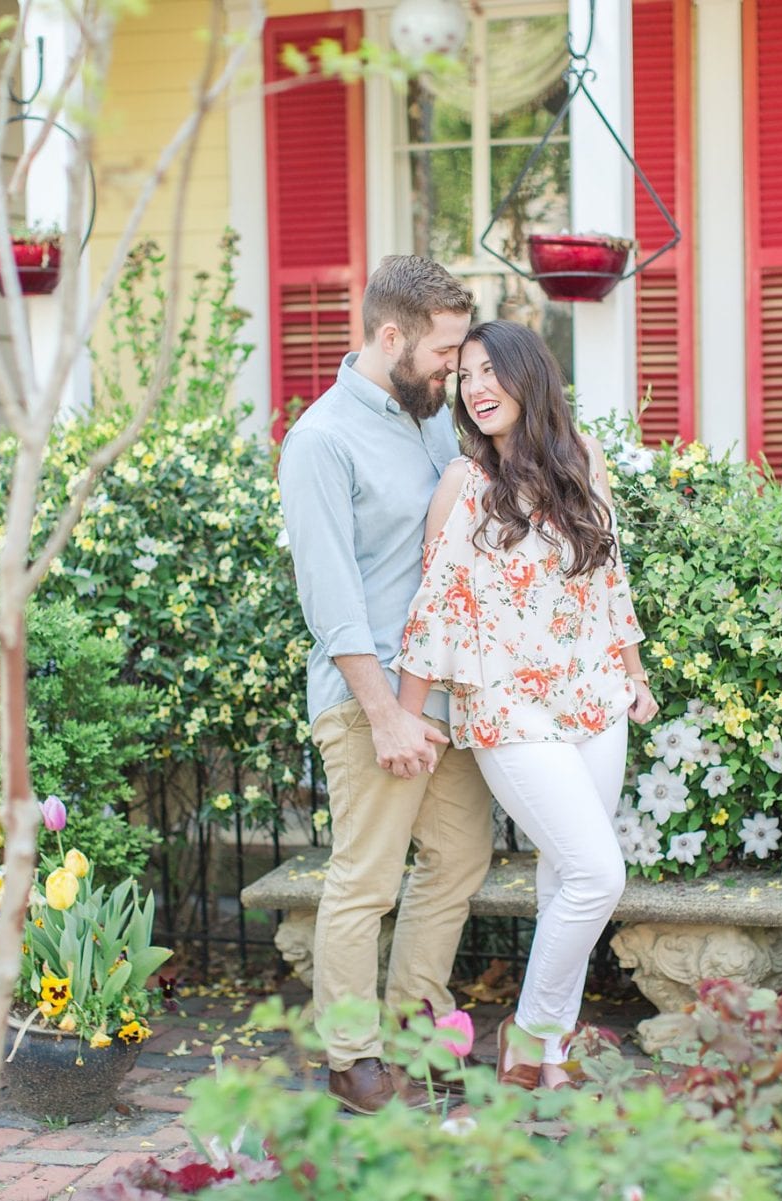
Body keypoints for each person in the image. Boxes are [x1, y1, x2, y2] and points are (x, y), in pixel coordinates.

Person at [393, 319, 657, 1091]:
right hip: (508, 712)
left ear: (528, 377)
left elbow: (611, 577)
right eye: (465, 374)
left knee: (561, 880)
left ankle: (551, 1054)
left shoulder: (583, 463)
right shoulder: (462, 484)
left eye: (488, 371)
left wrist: (634, 671)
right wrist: (409, 712)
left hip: (596, 697)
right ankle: (530, 1031)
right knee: (597, 873)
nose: (475, 388)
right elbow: (432, 609)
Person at [277, 255, 497, 1115]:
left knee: (460, 858)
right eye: (444, 354)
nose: (455, 371)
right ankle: (352, 1058)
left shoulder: (429, 418)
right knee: (365, 879)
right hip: (369, 702)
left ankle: (414, 1029)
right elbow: (330, 599)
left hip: (445, 693)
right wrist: (382, 716)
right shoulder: (321, 440)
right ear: (390, 335)